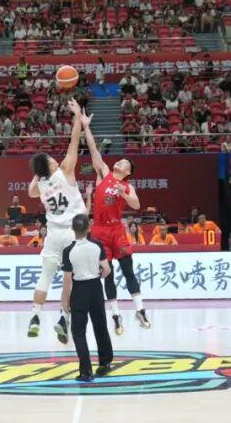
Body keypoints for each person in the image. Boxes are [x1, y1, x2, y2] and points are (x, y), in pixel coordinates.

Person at [80, 109, 148, 334]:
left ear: (128, 172)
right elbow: (93, 149)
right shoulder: (103, 174)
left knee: (128, 270)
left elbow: (136, 205)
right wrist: (86, 126)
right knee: (107, 274)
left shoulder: (127, 186)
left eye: (124, 162)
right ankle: (116, 316)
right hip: (99, 231)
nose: (119, 161)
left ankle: (140, 310)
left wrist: (124, 194)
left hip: (117, 230)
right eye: (119, 160)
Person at [26, 98, 87, 342]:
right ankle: (63, 317)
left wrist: (38, 172)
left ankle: (35, 316)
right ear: (51, 164)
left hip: (53, 235)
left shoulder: (39, 186)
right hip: (72, 234)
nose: (54, 158)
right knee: (69, 278)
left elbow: (30, 190)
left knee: (45, 277)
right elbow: (74, 141)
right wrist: (77, 116)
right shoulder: (65, 170)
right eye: (50, 158)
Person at [61, 214, 113, 382]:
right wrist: (98, 276)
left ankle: (86, 371)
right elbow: (107, 270)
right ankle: (105, 363)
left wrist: (64, 300)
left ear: (72, 229)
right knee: (100, 326)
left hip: (79, 290)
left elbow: (67, 280)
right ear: (89, 228)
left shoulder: (68, 250)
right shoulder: (97, 245)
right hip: (96, 288)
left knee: (78, 332)